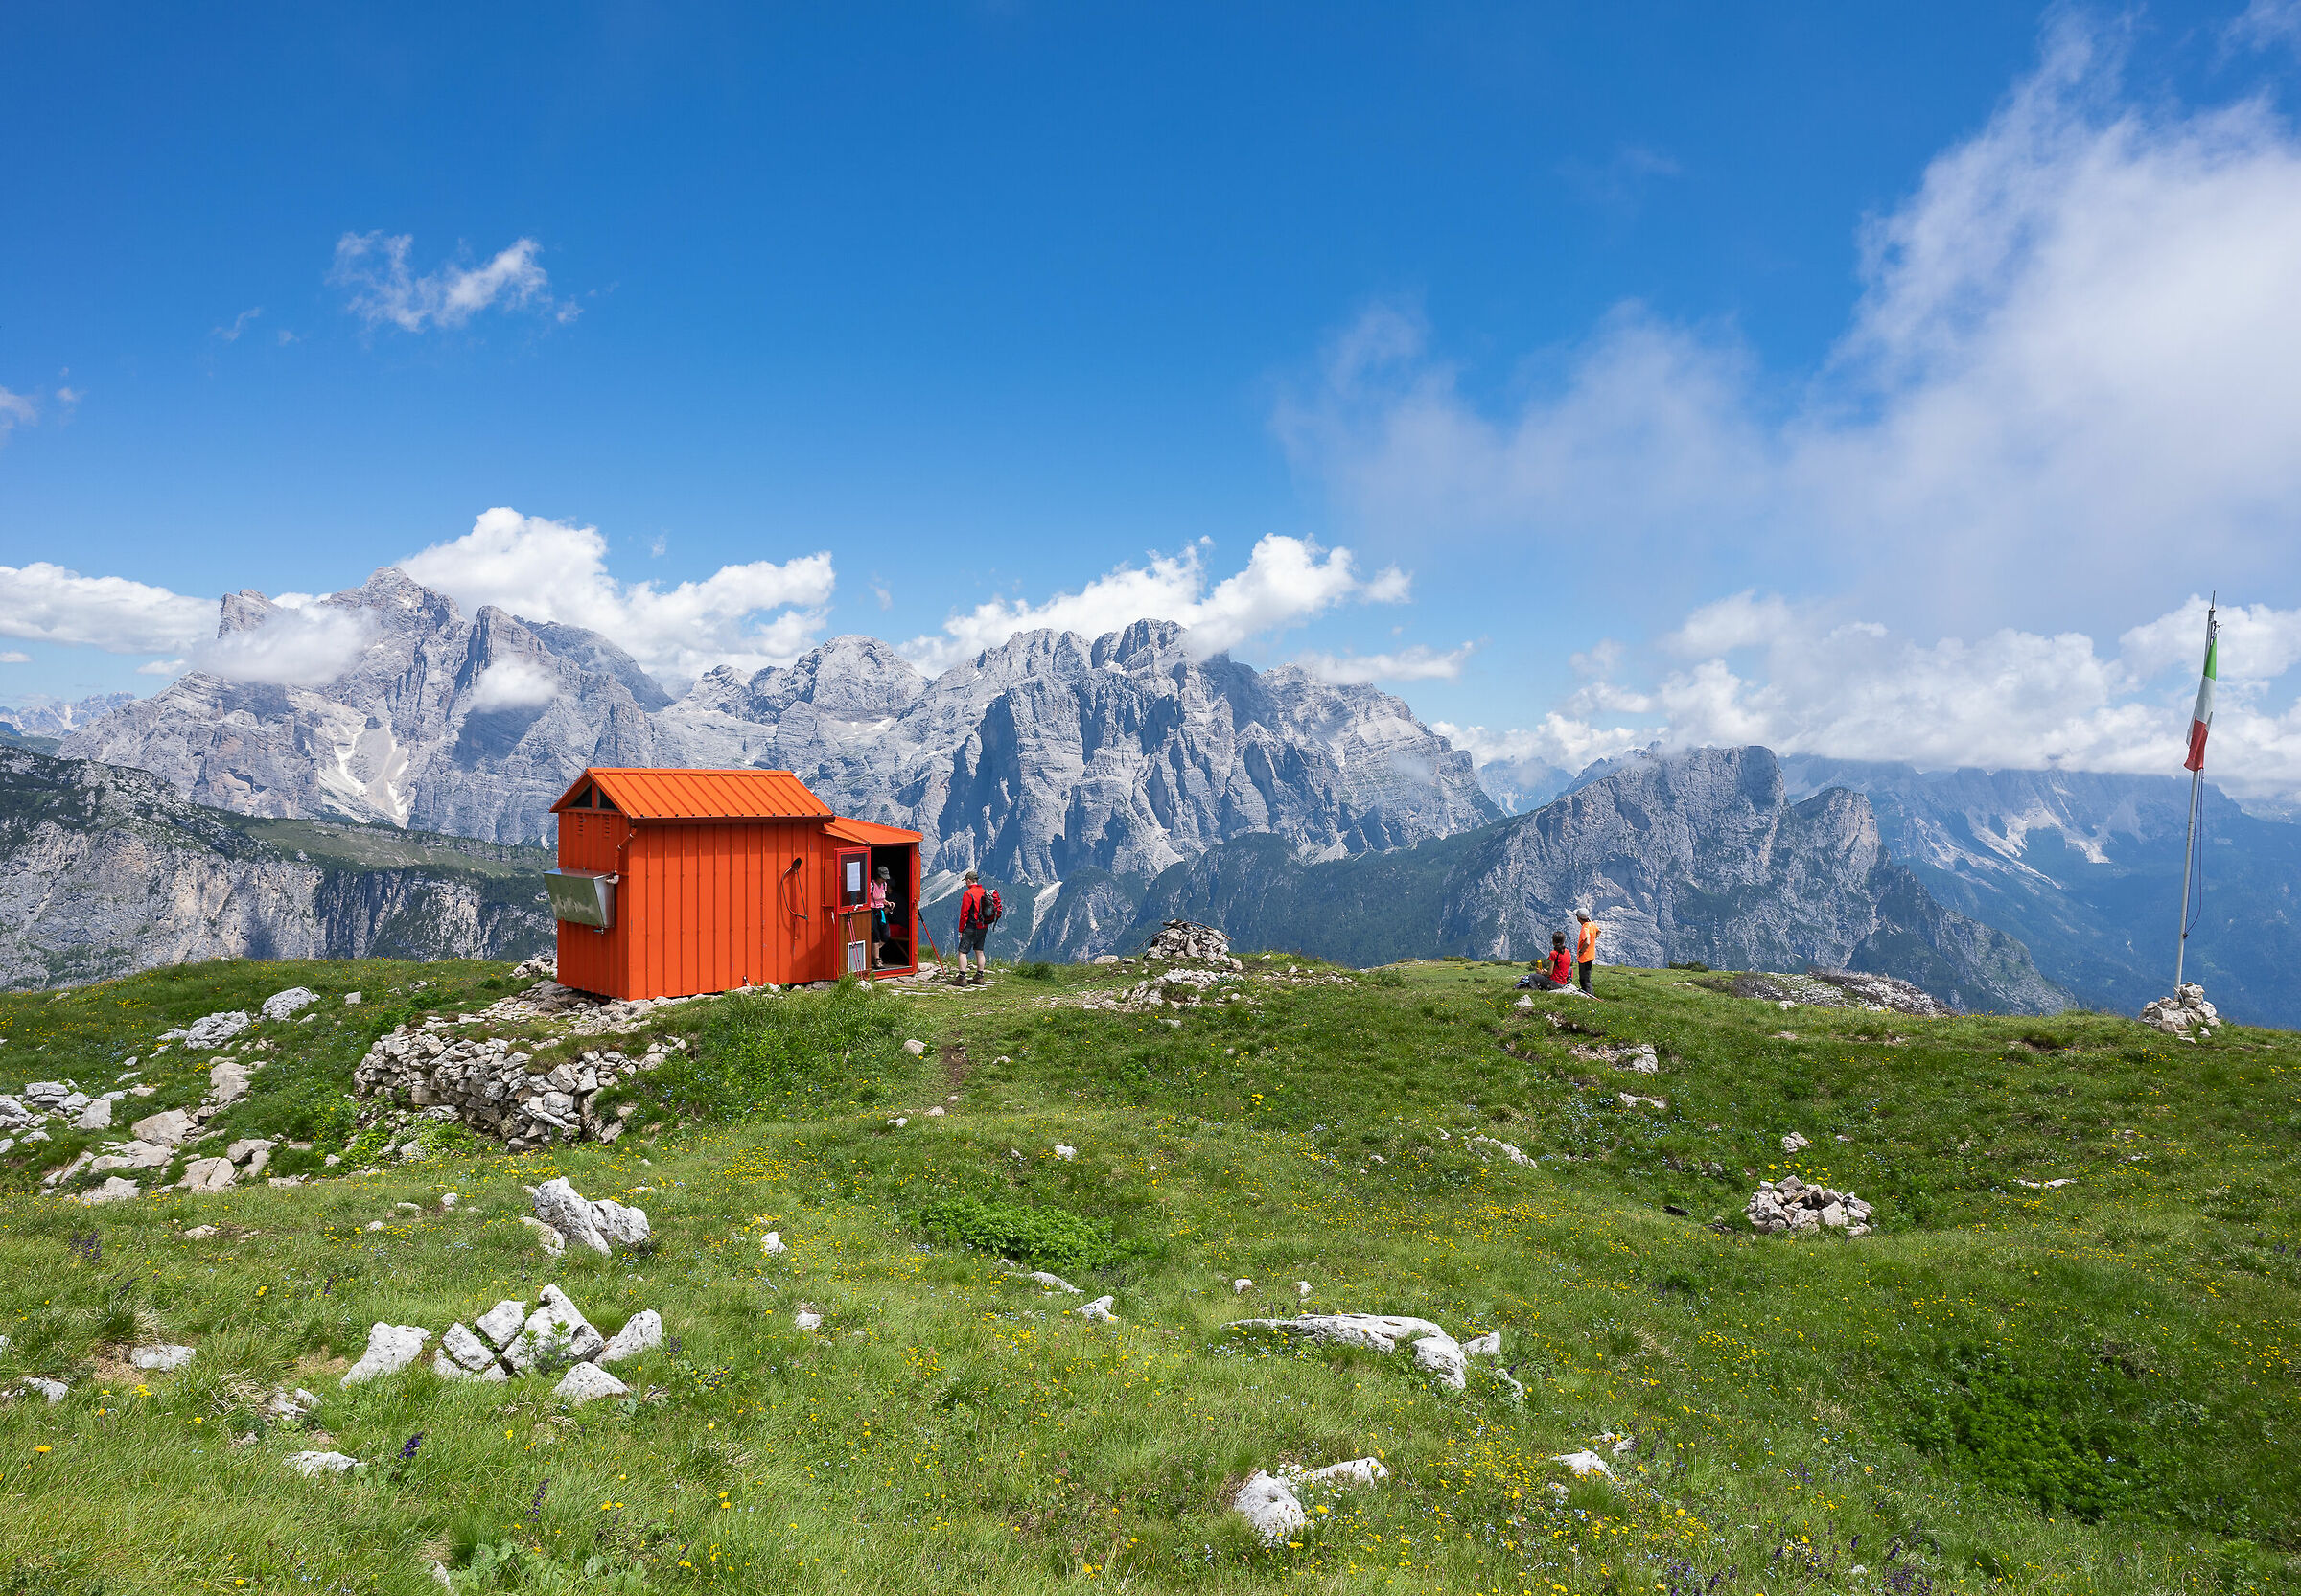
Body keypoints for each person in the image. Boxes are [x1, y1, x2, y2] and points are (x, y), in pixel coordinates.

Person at [955, 869, 997, 984]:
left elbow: (964, 914)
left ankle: (962, 978)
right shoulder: (985, 892)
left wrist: (960, 929)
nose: (965, 883)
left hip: (971, 926)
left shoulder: (968, 894)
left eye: (966, 881)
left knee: (962, 951)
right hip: (983, 926)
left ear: (969, 881)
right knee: (979, 950)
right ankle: (979, 976)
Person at [1574, 909, 1601, 994]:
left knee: (1584, 979)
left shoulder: (1585, 927)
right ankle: (1589, 993)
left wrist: (1581, 951)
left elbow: (1587, 941)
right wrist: (1594, 938)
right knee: (1587, 977)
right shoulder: (1592, 924)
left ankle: (1588, 995)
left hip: (1584, 957)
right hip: (1591, 955)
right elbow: (1599, 932)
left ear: (1579, 918)